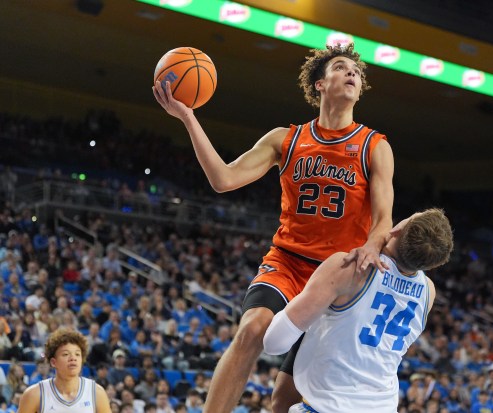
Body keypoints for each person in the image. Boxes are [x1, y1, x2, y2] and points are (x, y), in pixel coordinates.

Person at [153, 42, 394, 413]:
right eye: (342, 68)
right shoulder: (287, 138)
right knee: (252, 329)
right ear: (319, 83)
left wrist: (372, 245)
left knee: (285, 398)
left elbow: (383, 220)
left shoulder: (373, 145)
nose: (352, 74)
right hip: (288, 260)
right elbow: (224, 179)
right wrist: (188, 117)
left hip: (337, 275)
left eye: (357, 74)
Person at [263, 208, 454, 413]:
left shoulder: (351, 269)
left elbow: (274, 343)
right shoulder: (428, 292)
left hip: (328, 407)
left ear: (398, 228)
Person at [17, 328, 112, 413]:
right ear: (53, 362)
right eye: (66, 354)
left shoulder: (96, 392)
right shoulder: (34, 394)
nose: (73, 358)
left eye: (77, 354)